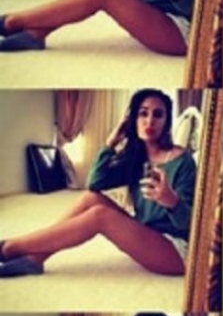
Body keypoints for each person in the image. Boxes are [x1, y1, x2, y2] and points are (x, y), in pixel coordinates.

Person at [0, 88, 196, 277]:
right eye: (142, 113)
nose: (150, 121)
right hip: (145, 231)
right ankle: (36, 258)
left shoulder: (183, 161)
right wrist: (110, 143)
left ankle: (9, 247)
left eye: (158, 114)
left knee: (99, 216)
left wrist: (171, 201)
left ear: (166, 121)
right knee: (90, 199)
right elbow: (94, 184)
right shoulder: (136, 158)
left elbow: (188, 224)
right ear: (132, 120)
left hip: (175, 249)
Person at [0, 0, 193, 54]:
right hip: (163, 11)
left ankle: (12, 22)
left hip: (191, 30)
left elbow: (188, 7)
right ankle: (35, 32)